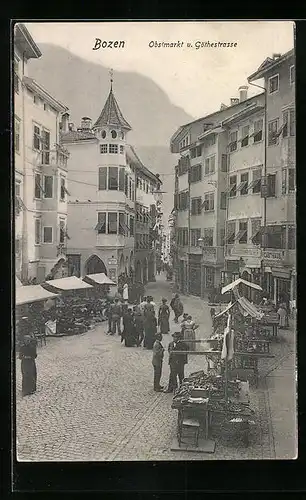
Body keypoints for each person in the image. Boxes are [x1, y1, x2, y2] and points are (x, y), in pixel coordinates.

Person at [18, 318, 37, 397]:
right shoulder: (22, 348)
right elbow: (20, 356)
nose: (27, 342)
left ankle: (32, 389)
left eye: (28, 340)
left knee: (31, 375)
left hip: (30, 362)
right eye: (25, 340)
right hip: (24, 363)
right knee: (25, 375)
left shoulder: (32, 347)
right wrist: (23, 357)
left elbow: (35, 355)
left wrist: (29, 357)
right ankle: (25, 390)